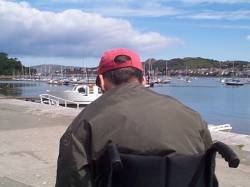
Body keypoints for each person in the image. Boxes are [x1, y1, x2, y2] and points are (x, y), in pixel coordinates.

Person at [55, 48, 213, 187]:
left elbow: (71, 180)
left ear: (102, 82)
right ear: (143, 80)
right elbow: (208, 173)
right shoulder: (192, 117)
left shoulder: (83, 124)